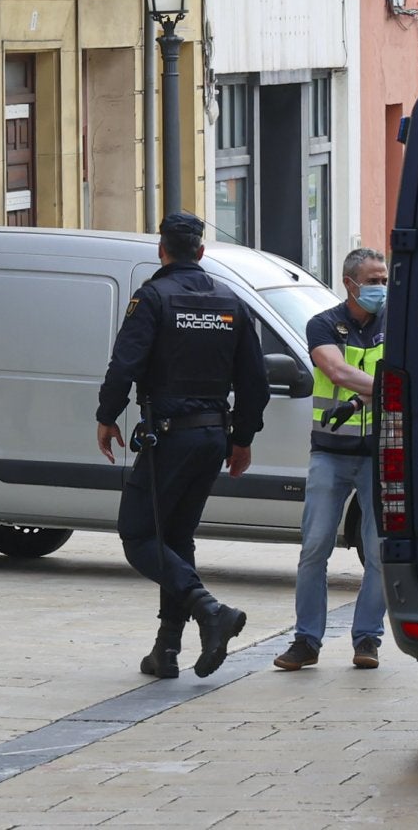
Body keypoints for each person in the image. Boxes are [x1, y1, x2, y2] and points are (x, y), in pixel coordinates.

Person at [96, 213, 270, 680]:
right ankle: (166, 649)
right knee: (174, 538)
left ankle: (210, 610)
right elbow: (256, 382)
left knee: (137, 536)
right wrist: (243, 438)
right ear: (200, 252)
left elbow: (124, 365)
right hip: (213, 437)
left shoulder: (152, 297)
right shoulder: (231, 301)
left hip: (170, 436)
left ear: (162, 250)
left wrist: (106, 415)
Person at [273, 247, 388, 672]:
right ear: (350, 283)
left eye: (384, 279)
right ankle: (307, 641)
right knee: (314, 547)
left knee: (378, 553)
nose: (381, 288)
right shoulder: (322, 324)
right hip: (331, 453)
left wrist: (380, 388)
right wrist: (391, 386)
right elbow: (336, 372)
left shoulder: (396, 323)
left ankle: (367, 639)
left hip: (381, 454)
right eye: (373, 280)